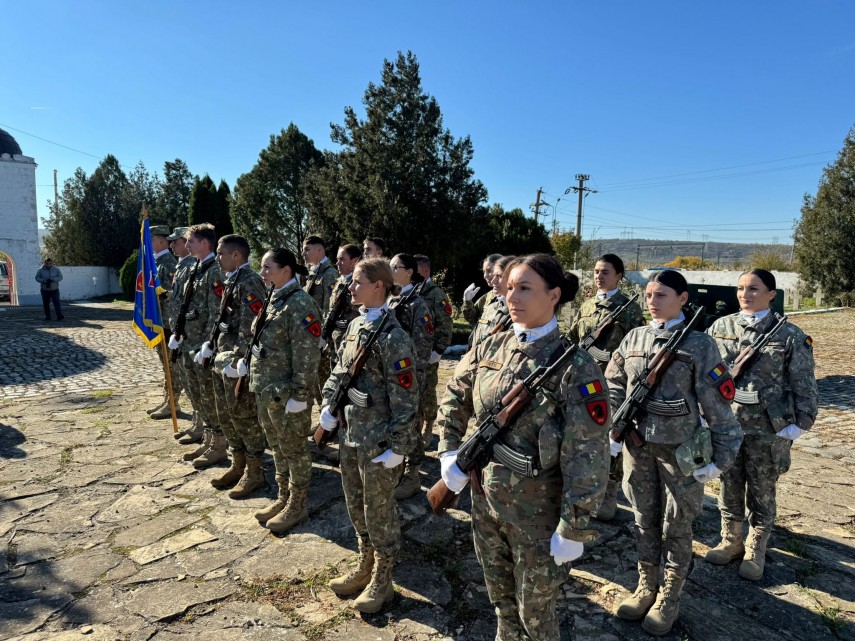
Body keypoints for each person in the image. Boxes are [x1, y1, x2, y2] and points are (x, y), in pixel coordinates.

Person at [437, 253, 610, 641]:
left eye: (525, 289)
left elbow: (589, 455)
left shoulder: (576, 367)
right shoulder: (493, 344)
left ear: (554, 295)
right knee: (500, 599)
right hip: (485, 501)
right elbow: (454, 395)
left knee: (536, 611)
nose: (512, 297)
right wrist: (449, 450)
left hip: (539, 517)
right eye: (510, 287)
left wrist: (574, 525)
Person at [605, 269, 742, 636]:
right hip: (638, 448)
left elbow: (718, 405)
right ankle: (645, 585)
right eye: (649, 294)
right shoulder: (633, 337)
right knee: (642, 519)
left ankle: (670, 594)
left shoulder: (698, 345)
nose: (652, 300)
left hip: (681, 453)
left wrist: (721, 458)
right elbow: (613, 383)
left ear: (682, 299)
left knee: (677, 525)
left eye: (661, 294)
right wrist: (615, 427)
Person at [320, 257, 419, 613]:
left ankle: (383, 577)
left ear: (379, 285)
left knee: (379, 511)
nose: (350, 287)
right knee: (355, 505)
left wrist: (400, 448)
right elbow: (339, 371)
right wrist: (328, 406)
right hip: (350, 433)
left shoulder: (394, 338)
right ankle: (365, 563)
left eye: (357, 281)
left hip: (378, 441)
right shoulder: (356, 325)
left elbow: (407, 399)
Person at [704, 269, 817, 580]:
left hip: (769, 429)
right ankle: (731, 539)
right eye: (741, 288)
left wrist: (800, 424)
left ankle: (756, 545)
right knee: (728, 484)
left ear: (771, 294)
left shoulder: (790, 335)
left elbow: (804, 383)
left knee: (762, 489)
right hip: (729, 425)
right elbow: (705, 377)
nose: (745, 294)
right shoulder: (720, 327)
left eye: (753, 288)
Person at [245, 248, 321, 533]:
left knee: (295, 449)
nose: (262, 273)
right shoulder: (275, 298)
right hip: (268, 391)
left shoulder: (300, 303)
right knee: (277, 446)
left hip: (287, 394)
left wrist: (301, 396)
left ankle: (298, 504)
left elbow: (308, 355)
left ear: (286, 270)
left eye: (267, 268)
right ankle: (284, 496)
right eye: (262, 268)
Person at [568, 254, 644, 521]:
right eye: (597, 271)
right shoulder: (587, 304)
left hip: (610, 385)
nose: (599, 276)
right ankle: (579, 488)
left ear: (619, 276)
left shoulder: (629, 308)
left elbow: (637, 347)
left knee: (609, 438)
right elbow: (572, 337)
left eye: (606, 272)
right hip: (581, 382)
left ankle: (608, 492)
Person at [201, 234, 270, 499]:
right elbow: (223, 320)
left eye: (221, 253)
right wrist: (211, 344)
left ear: (236, 256)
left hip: (235, 363)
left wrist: (241, 359)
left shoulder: (249, 281)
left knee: (244, 416)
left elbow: (251, 326)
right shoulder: (233, 280)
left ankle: (255, 471)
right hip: (222, 358)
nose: (217, 258)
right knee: (227, 415)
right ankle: (238, 463)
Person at [167, 224, 227, 469]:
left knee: (208, 397)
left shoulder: (214, 271)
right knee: (197, 396)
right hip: (188, 342)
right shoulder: (195, 268)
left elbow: (216, 312)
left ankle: (218, 445)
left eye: (191, 241)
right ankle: (209, 439)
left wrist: (208, 344)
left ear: (205, 243)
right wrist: (179, 334)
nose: (187, 244)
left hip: (201, 347)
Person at [388, 253, 435, 500]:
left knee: (411, 426)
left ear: (409, 272)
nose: (390, 269)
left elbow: (423, 346)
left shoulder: (417, 304)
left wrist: (411, 381)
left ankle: (413, 474)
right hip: (389, 377)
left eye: (395, 267)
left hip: (409, 378)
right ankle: (396, 468)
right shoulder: (391, 299)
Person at [166, 227, 204, 441]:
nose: (174, 245)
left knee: (197, 385)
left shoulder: (193, 265)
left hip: (193, 334)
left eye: (177, 242)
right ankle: (198, 425)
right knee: (189, 381)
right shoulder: (184, 265)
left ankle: (202, 426)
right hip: (181, 331)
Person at [413, 254, 454, 448]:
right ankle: (416, 422)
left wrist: (438, 350)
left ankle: (428, 425)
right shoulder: (411, 290)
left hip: (428, 353)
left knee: (428, 390)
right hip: (411, 352)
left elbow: (446, 325)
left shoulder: (436, 294)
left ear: (426, 270)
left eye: (416, 269)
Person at [147, 225, 181, 419]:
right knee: (164, 363)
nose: (148, 245)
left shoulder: (167, 263)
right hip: (161, 321)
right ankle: (168, 399)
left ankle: (172, 403)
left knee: (170, 364)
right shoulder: (156, 262)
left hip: (167, 322)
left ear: (161, 241)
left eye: (150, 240)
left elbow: (170, 294)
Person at [302, 235, 340, 404]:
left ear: (319, 250)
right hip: (311, 333)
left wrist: (322, 336)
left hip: (321, 336)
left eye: (307, 249)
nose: (303, 253)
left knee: (324, 377)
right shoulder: (313, 271)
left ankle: (328, 413)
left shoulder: (329, 273)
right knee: (315, 376)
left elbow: (329, 308)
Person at [468, 255, 515, 350]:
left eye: (499, 276)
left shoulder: (521, 312)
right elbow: (474, 322)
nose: (493, 280)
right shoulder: (492, 305)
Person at [462, 253, 501, 324]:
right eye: (484, 272)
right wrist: (467, 301)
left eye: (489, 271)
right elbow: (472, 318)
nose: (485, 276)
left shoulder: (513, 297)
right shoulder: (488, 296)